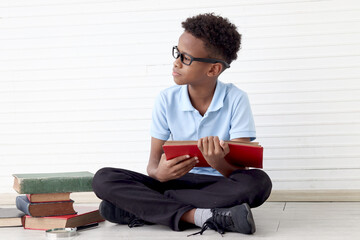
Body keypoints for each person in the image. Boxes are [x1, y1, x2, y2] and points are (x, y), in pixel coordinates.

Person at [92, 13, 272, 236]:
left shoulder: (236, 99)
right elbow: (152, 167)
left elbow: (239, 172)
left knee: (258, 183)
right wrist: (161, 174)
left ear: (213, 69)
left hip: (217, 186)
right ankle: (201, 216)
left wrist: (218, 162)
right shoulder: (166, 100)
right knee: (103, 178)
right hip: (175, 183)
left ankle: (142, 208)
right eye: (177, 53)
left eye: (186, 58)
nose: (176, 62)